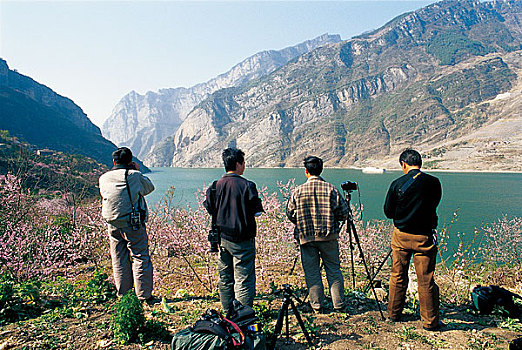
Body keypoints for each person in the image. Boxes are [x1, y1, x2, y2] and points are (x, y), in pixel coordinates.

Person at [384, 149, 442, 331]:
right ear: (420, 163)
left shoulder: (397, 184)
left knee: (398, 275)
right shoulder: (434, 183)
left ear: (404, 164)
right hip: (423, 237)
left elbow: (388, 211)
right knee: (425, 279)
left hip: (401, 236)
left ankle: (393, 314)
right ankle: (430, 322)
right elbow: (435, 203)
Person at [286, 156, 349, 312]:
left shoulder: (298, 191)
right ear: (321, 170)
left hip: (306, 237)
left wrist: (301, 221)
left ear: (306, 171)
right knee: (333, 270)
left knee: (312, 271)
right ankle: (338, 304)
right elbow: (343, 213)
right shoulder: (331, 189)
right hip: (329, 237)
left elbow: (290, 213)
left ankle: (316, 305)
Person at [203, 148, 264, 311]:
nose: (244, 166)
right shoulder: (248, 185)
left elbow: (209, 208)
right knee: (244, 278)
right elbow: (257, 211)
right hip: (243, 239)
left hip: (222, 239)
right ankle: (243, 315)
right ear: (238, 164)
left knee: (225, 277)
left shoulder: (215, 187)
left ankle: (227, 312)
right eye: (243, 163)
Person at [99, 147, 155, 302]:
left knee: (119, 258)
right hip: (133, 223)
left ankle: (124, 294)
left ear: (114, 161)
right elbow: (149, 188)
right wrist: (137, 170)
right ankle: (144, 296)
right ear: (131, 161)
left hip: (113, 223)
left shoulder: (103, 177)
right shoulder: (134, 175)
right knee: (140, 256)